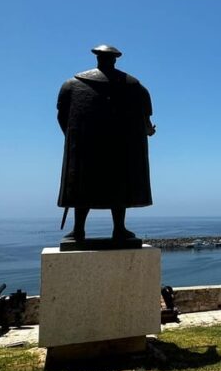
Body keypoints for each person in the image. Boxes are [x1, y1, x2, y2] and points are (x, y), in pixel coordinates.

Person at [56, 45, 155, 241]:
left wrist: (74, 140)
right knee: (118, 186)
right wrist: (149, 130)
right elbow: (145, 122)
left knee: (83, 187)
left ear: (98, 59)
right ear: (115, 60)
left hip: (86, 148)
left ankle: (79, 230)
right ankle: (118, 229)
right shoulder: (134, 86)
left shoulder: (71, 84)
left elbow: (62, 118)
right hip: (120, 148)